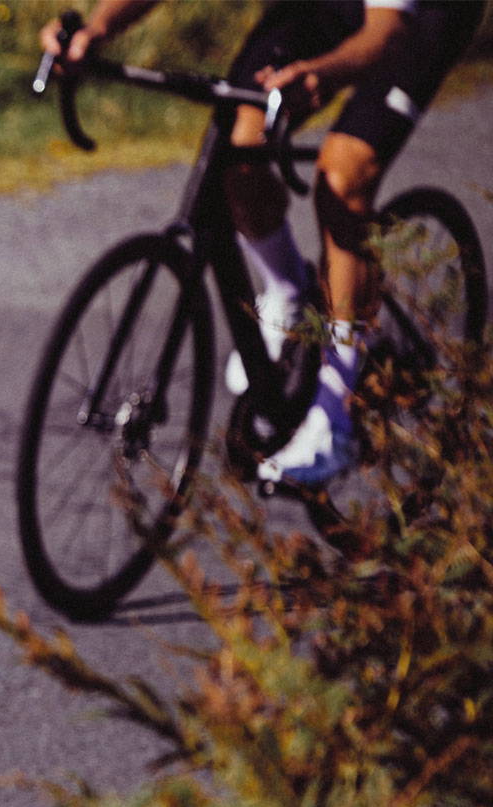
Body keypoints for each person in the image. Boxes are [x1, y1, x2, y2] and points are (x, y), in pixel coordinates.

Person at [43, 0, 486, 485]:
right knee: (240, 149)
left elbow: (384, 33)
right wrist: (98, 29)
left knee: (342, 176)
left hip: (414, 20)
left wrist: (324, 72)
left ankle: (336, 417)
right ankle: (289, 293)